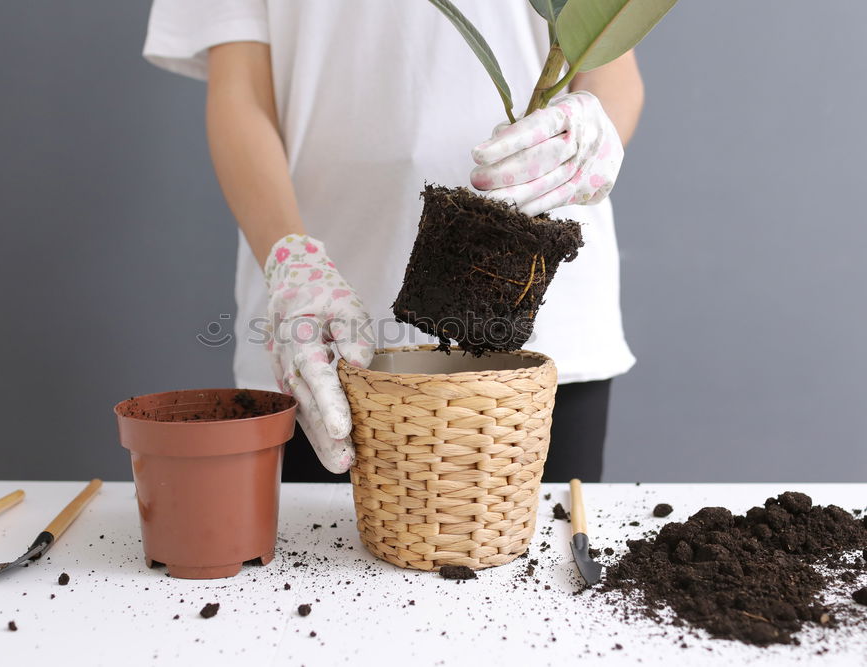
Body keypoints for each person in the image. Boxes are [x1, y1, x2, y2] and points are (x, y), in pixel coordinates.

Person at [143, 1, 642, 483]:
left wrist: (594, 133)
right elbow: (240, 94)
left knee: (546, 557)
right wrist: (290, 260)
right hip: (320, 338)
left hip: (544, 324)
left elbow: (609, 67)